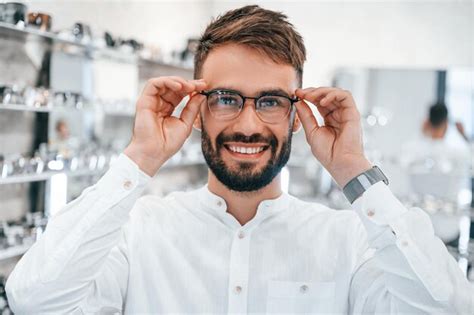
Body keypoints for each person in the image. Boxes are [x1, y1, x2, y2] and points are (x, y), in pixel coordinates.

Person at [5, 5, 473, 314]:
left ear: (296, 115)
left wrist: (353, 169)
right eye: (227, 98)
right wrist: (140, 157)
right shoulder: (140, 231)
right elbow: (34, 301)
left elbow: (446, 307)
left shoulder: (347, 241)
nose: (248, 125)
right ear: (196, 109)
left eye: (269, 100)